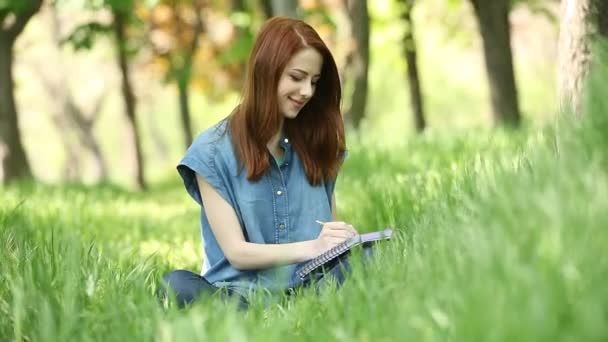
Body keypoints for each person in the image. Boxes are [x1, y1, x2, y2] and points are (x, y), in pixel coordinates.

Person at [160, 16, 366, 309]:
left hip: (309, 288)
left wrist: (341, 241)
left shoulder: (320, 145)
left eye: (314, 82)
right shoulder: (211, 152)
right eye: (297, 77)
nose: (307, 91)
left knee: (372, 259)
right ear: (266, 73)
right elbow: (237, 253)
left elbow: (327, 240)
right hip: (238, 295)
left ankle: (309, 308)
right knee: (176, 285)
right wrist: (314, 247)